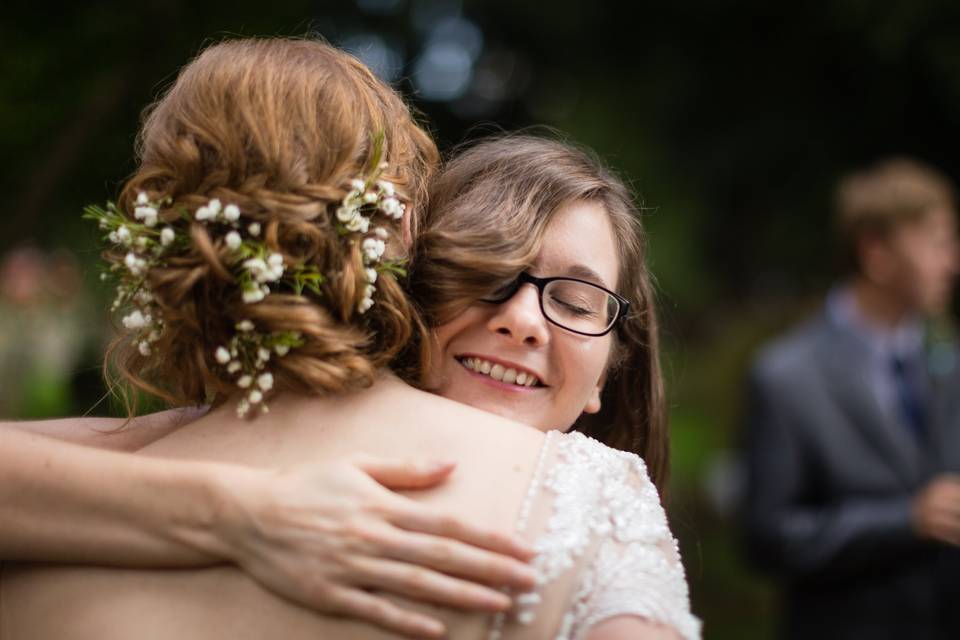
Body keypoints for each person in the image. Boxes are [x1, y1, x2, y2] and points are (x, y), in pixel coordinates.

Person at [1, 38, 699, 639]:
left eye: (577, 300)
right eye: (477, 271)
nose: (521, 320)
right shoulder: (591, 497)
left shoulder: (44, 524)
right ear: (404, 246)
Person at [743, 158, 960, 639]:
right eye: (935, 242)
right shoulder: (785, 376)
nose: (952, 262)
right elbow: (766, 539)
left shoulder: (947, 358)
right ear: (876, 252)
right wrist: (906, 521)